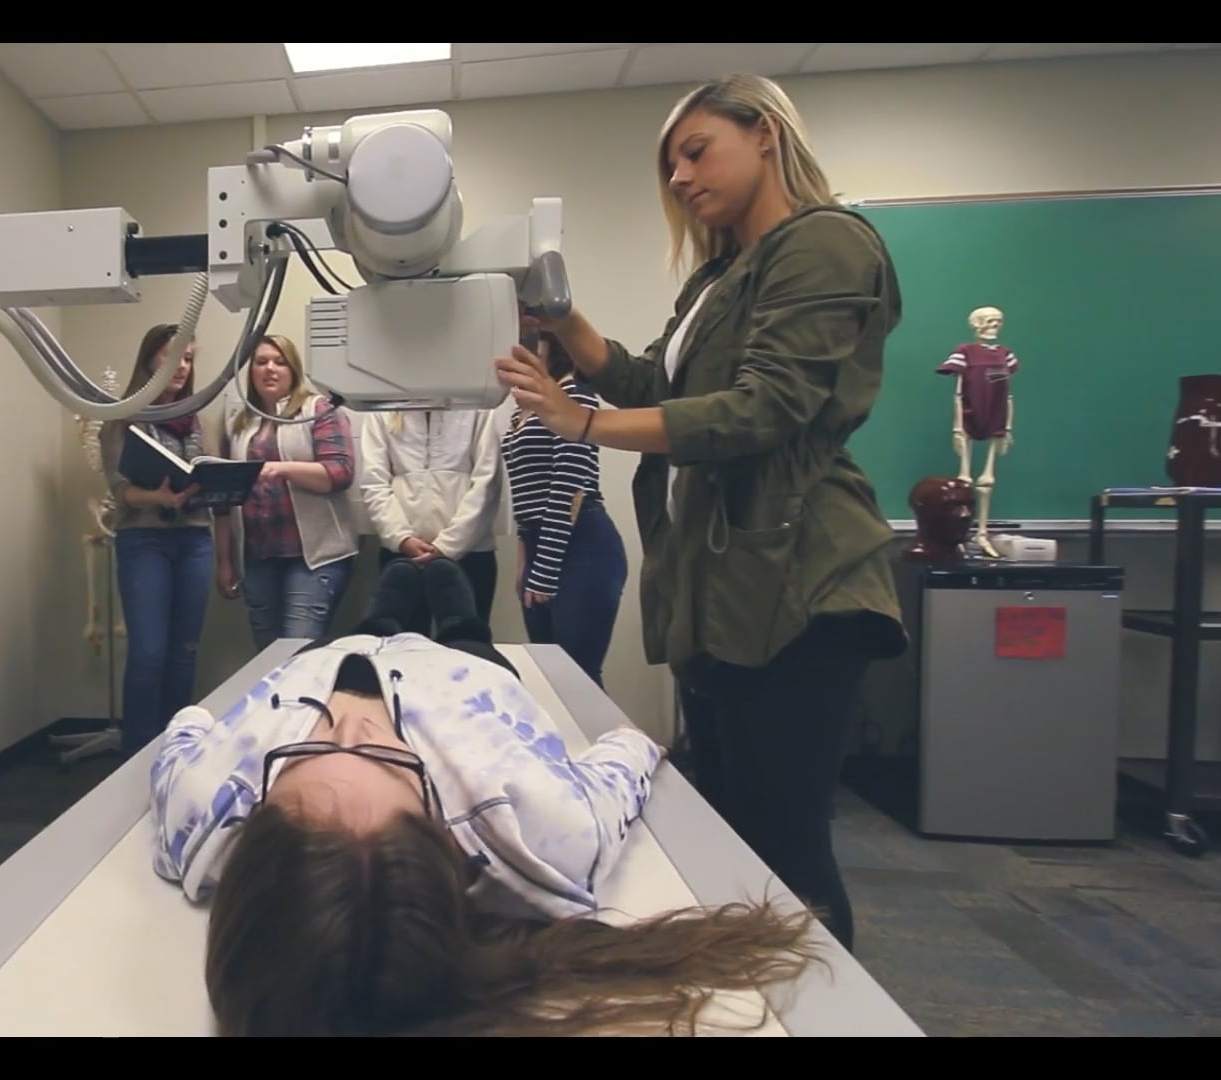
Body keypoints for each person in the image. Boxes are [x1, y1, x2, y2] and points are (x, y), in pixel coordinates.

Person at [494, 72, 909, 954]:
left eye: (695, 151)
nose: (679, 179)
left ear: (763, 134)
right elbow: (657, 384)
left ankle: (824, 1008)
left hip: (799, 584)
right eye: (669, 167)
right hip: (724, 587)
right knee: (732, 837)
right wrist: (564, 323)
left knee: (787, 851)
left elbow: (766, 407)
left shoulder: (826, 244)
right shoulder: (722, 277)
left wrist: (585, 423)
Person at [149, 555, 827, 1037]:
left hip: (330, 657)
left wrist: (221, 728)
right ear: (446, 836)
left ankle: (398, 590)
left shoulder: (205, 811)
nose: (351, 721)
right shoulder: (536, 826)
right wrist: (630, 743)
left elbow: (185, 731)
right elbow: (621, 765)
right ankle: (446, 589)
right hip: (461, 680)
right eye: (382, 761)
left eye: (312, 751)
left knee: (380, 609)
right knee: (462, 615)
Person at [100, 324, 229, 755]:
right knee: (149, 651)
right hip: (144, 539)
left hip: (194, 537)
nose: (181, 367)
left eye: (188, 359)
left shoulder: (203, 421)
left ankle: (179, 749)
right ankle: (136, 754)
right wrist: (155, 496)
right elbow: (119, 488)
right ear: (150, 360)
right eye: (171, 357)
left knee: (184, 651)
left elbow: (218, 482)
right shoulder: (123, 418)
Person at [501, 327, 630, 689]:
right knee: (550, 678)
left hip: (582, 543)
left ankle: (603, 746)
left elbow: (569, 487)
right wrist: (525, 559)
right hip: (541, 542)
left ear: (552, 347)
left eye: (530, 346)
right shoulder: (521, 413)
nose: (521, 356)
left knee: (578, 679)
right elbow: (523, 493)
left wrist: (544, 567)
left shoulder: (574, 394)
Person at [215, 334, 359, 648]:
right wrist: (224, 560)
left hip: (314, 557)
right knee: (266, 655)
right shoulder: (238, 423)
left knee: (296, 650)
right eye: (261, 362)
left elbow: (340, 472)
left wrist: (282, 469)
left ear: (293, 370)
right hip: (258, 557)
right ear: (250, 371)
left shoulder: (318, 410)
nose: (271, 369)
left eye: (280, 362)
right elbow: (224, 500)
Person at [357, 403, 505, 630]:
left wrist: (447, 546)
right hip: (402, 555)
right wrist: (402, 538)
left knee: (467, 644)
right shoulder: (382, 406)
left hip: (471, 552)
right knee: (404, 649)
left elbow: (488, 481)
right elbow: (373, 481)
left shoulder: (476, 402)